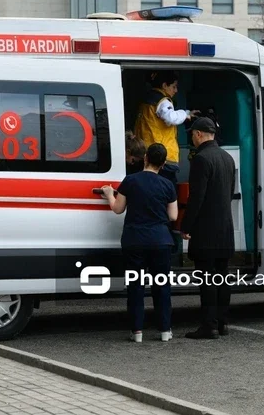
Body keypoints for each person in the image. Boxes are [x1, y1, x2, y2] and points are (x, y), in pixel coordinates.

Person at [101, 143, 178, 343]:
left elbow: (118, 209)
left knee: (136, 287)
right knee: (161, 287)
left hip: (134, 241)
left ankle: (137, 332)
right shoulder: (168, 185)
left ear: (145, 158)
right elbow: (173, 215)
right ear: (162, 164)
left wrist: (110, 194)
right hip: (160, 241)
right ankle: (165, 331)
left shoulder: (130, 181)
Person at [179, 117, 236, 339]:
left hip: (206, 230)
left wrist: (186, 225)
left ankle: (208, 326)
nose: (192, 137)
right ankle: (223, 323)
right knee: (222, 277)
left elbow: (196, 198)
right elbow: (229, 193)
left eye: (192, 134)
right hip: (225, 228)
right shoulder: (227, 158)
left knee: (207, 279)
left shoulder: (201, 159)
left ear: (200, 134)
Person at [134, 71, 199, 186]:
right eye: (173, 86)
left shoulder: (147, 102)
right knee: (167, 191)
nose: (176, 90)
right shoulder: (162, 101)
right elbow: (170, 117)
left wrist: (186, 113)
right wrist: (185, 115)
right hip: (162, 157)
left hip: (147, 154)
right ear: (164, 85)